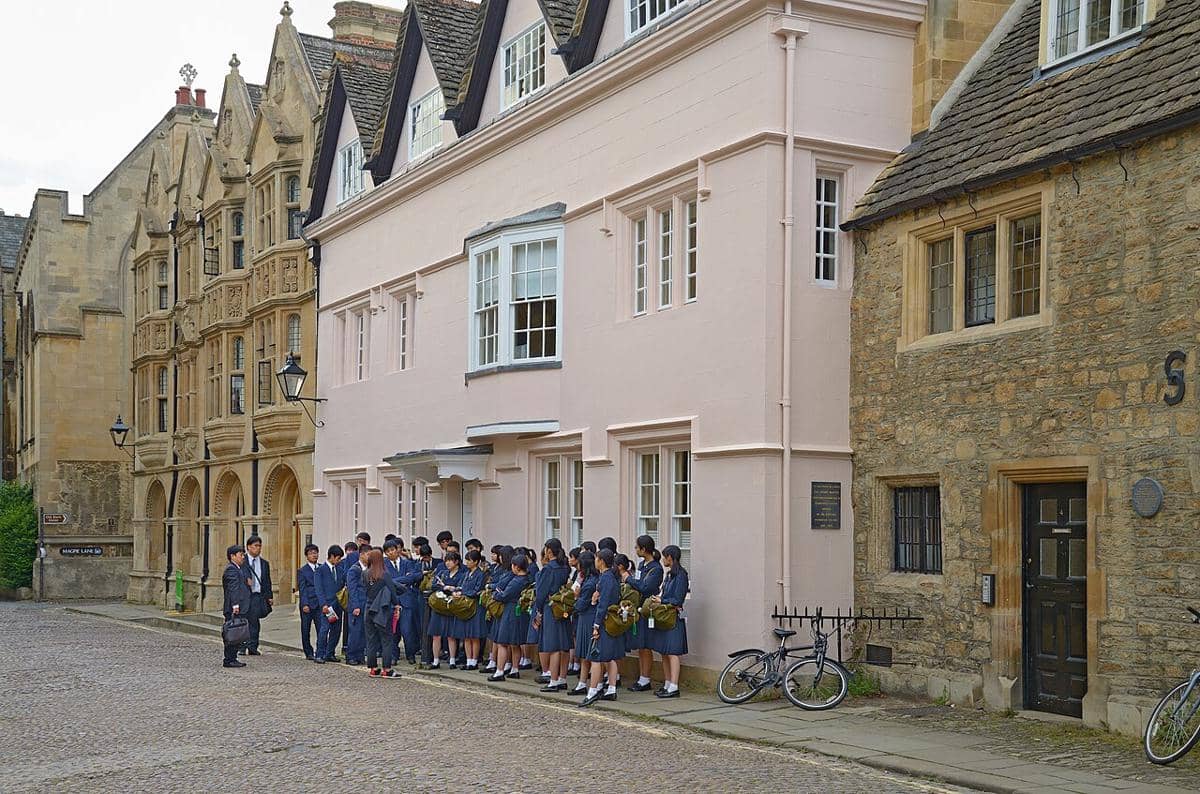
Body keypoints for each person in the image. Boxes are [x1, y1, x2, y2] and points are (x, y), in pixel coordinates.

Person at [579, 549, 624, 707]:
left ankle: (592, 691)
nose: (595, 561)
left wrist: (596, 625)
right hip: (611, 621)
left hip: (604, 621)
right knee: (610, 657)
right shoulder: (612, 577)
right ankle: (611, 688)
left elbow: (603, 604)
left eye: (597, 559)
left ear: (602, 561)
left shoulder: (605, 578)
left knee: (596, 658)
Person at [624, 534, 663, 692]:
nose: (635, 549)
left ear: (644, 549)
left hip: (648, 609)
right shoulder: (642, 565)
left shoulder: (656, 568)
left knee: (646, 645)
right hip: (638, 608)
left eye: (637, 547)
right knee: (640, 645)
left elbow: (645, 587)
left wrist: (628, 579)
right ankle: (642, 677)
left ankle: (645, 678)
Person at [649, 545, 689, 698]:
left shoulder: (681, 575)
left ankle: (674, 686)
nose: (663, 559)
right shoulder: (670, 575)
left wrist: (661, 600)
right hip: (664, 616)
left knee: (672, 653)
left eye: (665, 557)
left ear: (671, 558)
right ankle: (667, 683)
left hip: (672, 617)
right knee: (664, 652)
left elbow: (678, 599)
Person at [534, 539, 572, 692]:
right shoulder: (564, 568)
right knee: (564, 645)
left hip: (550, 608)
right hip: (562, 607)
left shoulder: (548, 569)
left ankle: (554, 680)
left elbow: (541, 592)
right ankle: (562, 678)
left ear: (549, 551)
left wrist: (538, 610)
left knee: (553, 646)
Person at [487, 552, 532, 682]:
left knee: (502, 643)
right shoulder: (528, 578)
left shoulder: (517, 581)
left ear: (517, 567)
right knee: (515, 643)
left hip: (511, 611)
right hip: (520, 612)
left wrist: (496, 595)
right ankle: (515, 669)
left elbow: (504, 595)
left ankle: (499, 671)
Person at [362, 550, 401, 678]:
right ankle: (387, 669)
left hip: (368, 609)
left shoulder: (365, 573)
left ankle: (373, 668)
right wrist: (397, 605)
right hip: (382, 610)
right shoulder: (385, 574)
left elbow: (366, 590)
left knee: (371, 640)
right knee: (386, 640)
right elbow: (392, 592)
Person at [568, 551, 599, 696]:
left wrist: (576, 597)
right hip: (585, 618)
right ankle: (582, 683)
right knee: (584, 654)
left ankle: (592, 684)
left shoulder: (590, 583)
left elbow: (581, 605)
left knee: (588, 653)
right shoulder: (589, 579)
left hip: (588, 618)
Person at [428, 551, 464, 668]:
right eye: (446, 560)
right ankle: (436, 660)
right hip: (439, 605)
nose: (448, 563)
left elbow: (461, 588)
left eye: (450, 560)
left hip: (451, 607)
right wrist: (444, 587)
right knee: (436, 634)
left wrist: (452, 589)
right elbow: (433, 585)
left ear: (457, 562)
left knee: (451, 635)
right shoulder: (443, 573)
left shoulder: (461, 575)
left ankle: (452, 659)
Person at [453, 549, 488, 670]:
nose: (467, 562)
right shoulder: (466, 574)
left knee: (475, 635)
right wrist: (458, 591)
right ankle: (468, 660)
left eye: (470, 560)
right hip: (465, 607)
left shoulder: (480, 574)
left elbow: (477, 590)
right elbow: (461, 586)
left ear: (476, 561)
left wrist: (464, 593)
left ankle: (474, 660)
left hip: (475, 606)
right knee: (467, 635)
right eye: (466, 560)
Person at [240, 535, 273, 656]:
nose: (258, 548)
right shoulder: (243, 562)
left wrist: (269, 596)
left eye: (259, 546)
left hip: (257, 596)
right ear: (248, 547)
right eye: (255, 546)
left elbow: (267, 581)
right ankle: (242, 646)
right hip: (244, 596)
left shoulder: (264, 563)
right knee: (243, 621)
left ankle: (253, 646)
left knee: (254, 622)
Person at [222, 544, 251, 668]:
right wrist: (235, 605)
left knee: (237, 633)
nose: (243, 557)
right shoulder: (231, 569)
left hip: (241, 605)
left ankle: (232, 657)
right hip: (234, 607)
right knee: (232, 633)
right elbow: (233, 588)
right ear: (232, 556)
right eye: (240, 554)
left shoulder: (239, 568)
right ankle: (229, 659)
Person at [314, 545, 344, 663]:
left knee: (336, 630)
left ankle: (330, 653)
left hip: (338, 605)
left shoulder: (340, 569)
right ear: (331, 556)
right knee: (325, 629)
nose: (339, 560)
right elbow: (319, 589)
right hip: (328, 606)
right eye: (337, 558)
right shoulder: (320, 570)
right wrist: (323, 604)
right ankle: (319, 654)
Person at [297, 543, 322, 660]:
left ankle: (321, 650)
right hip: (308, 603)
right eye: (311, 553)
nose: (314, 555)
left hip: (320, 603)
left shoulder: (321, 568)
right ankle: (308, 652)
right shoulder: (302, 571)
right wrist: (305, 604)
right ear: (306, 556)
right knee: (305, 629)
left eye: (315, 553)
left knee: (321, 628)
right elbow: (302, 589)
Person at [344, 549, 368, 665]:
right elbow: (352, 590)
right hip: (356, 606)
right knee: (355, 632)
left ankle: (360, 655)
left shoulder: (368, 569)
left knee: (363, 633)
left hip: (366, 606)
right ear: (362, 555)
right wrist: (356, 606)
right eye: (368, 555)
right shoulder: (354, 570)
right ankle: (351, 656)